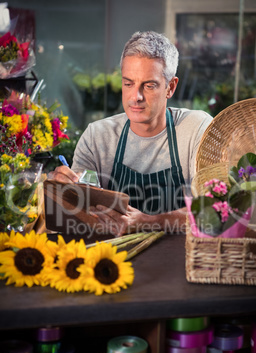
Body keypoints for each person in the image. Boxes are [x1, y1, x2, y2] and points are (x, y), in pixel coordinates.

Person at [48, 31, 213, 236]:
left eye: (149, 85)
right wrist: (63, 192)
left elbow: (214, 210)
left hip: (182, 260)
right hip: (113, 260)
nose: (136, 97)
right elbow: (81, 216)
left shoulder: (197, 128)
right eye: (128, 83)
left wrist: (149, 221)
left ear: (170, 87)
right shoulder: (97, 137)